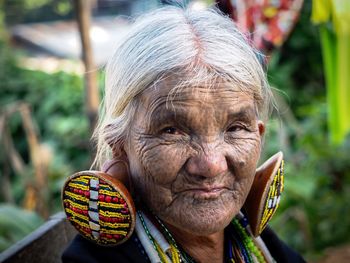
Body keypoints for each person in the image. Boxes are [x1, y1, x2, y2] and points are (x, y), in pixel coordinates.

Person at [62, 6, 305, 263]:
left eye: (235, 128)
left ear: (258, 134)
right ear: (120, 145)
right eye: (172, 131)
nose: (211, 165)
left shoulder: (258, 244)